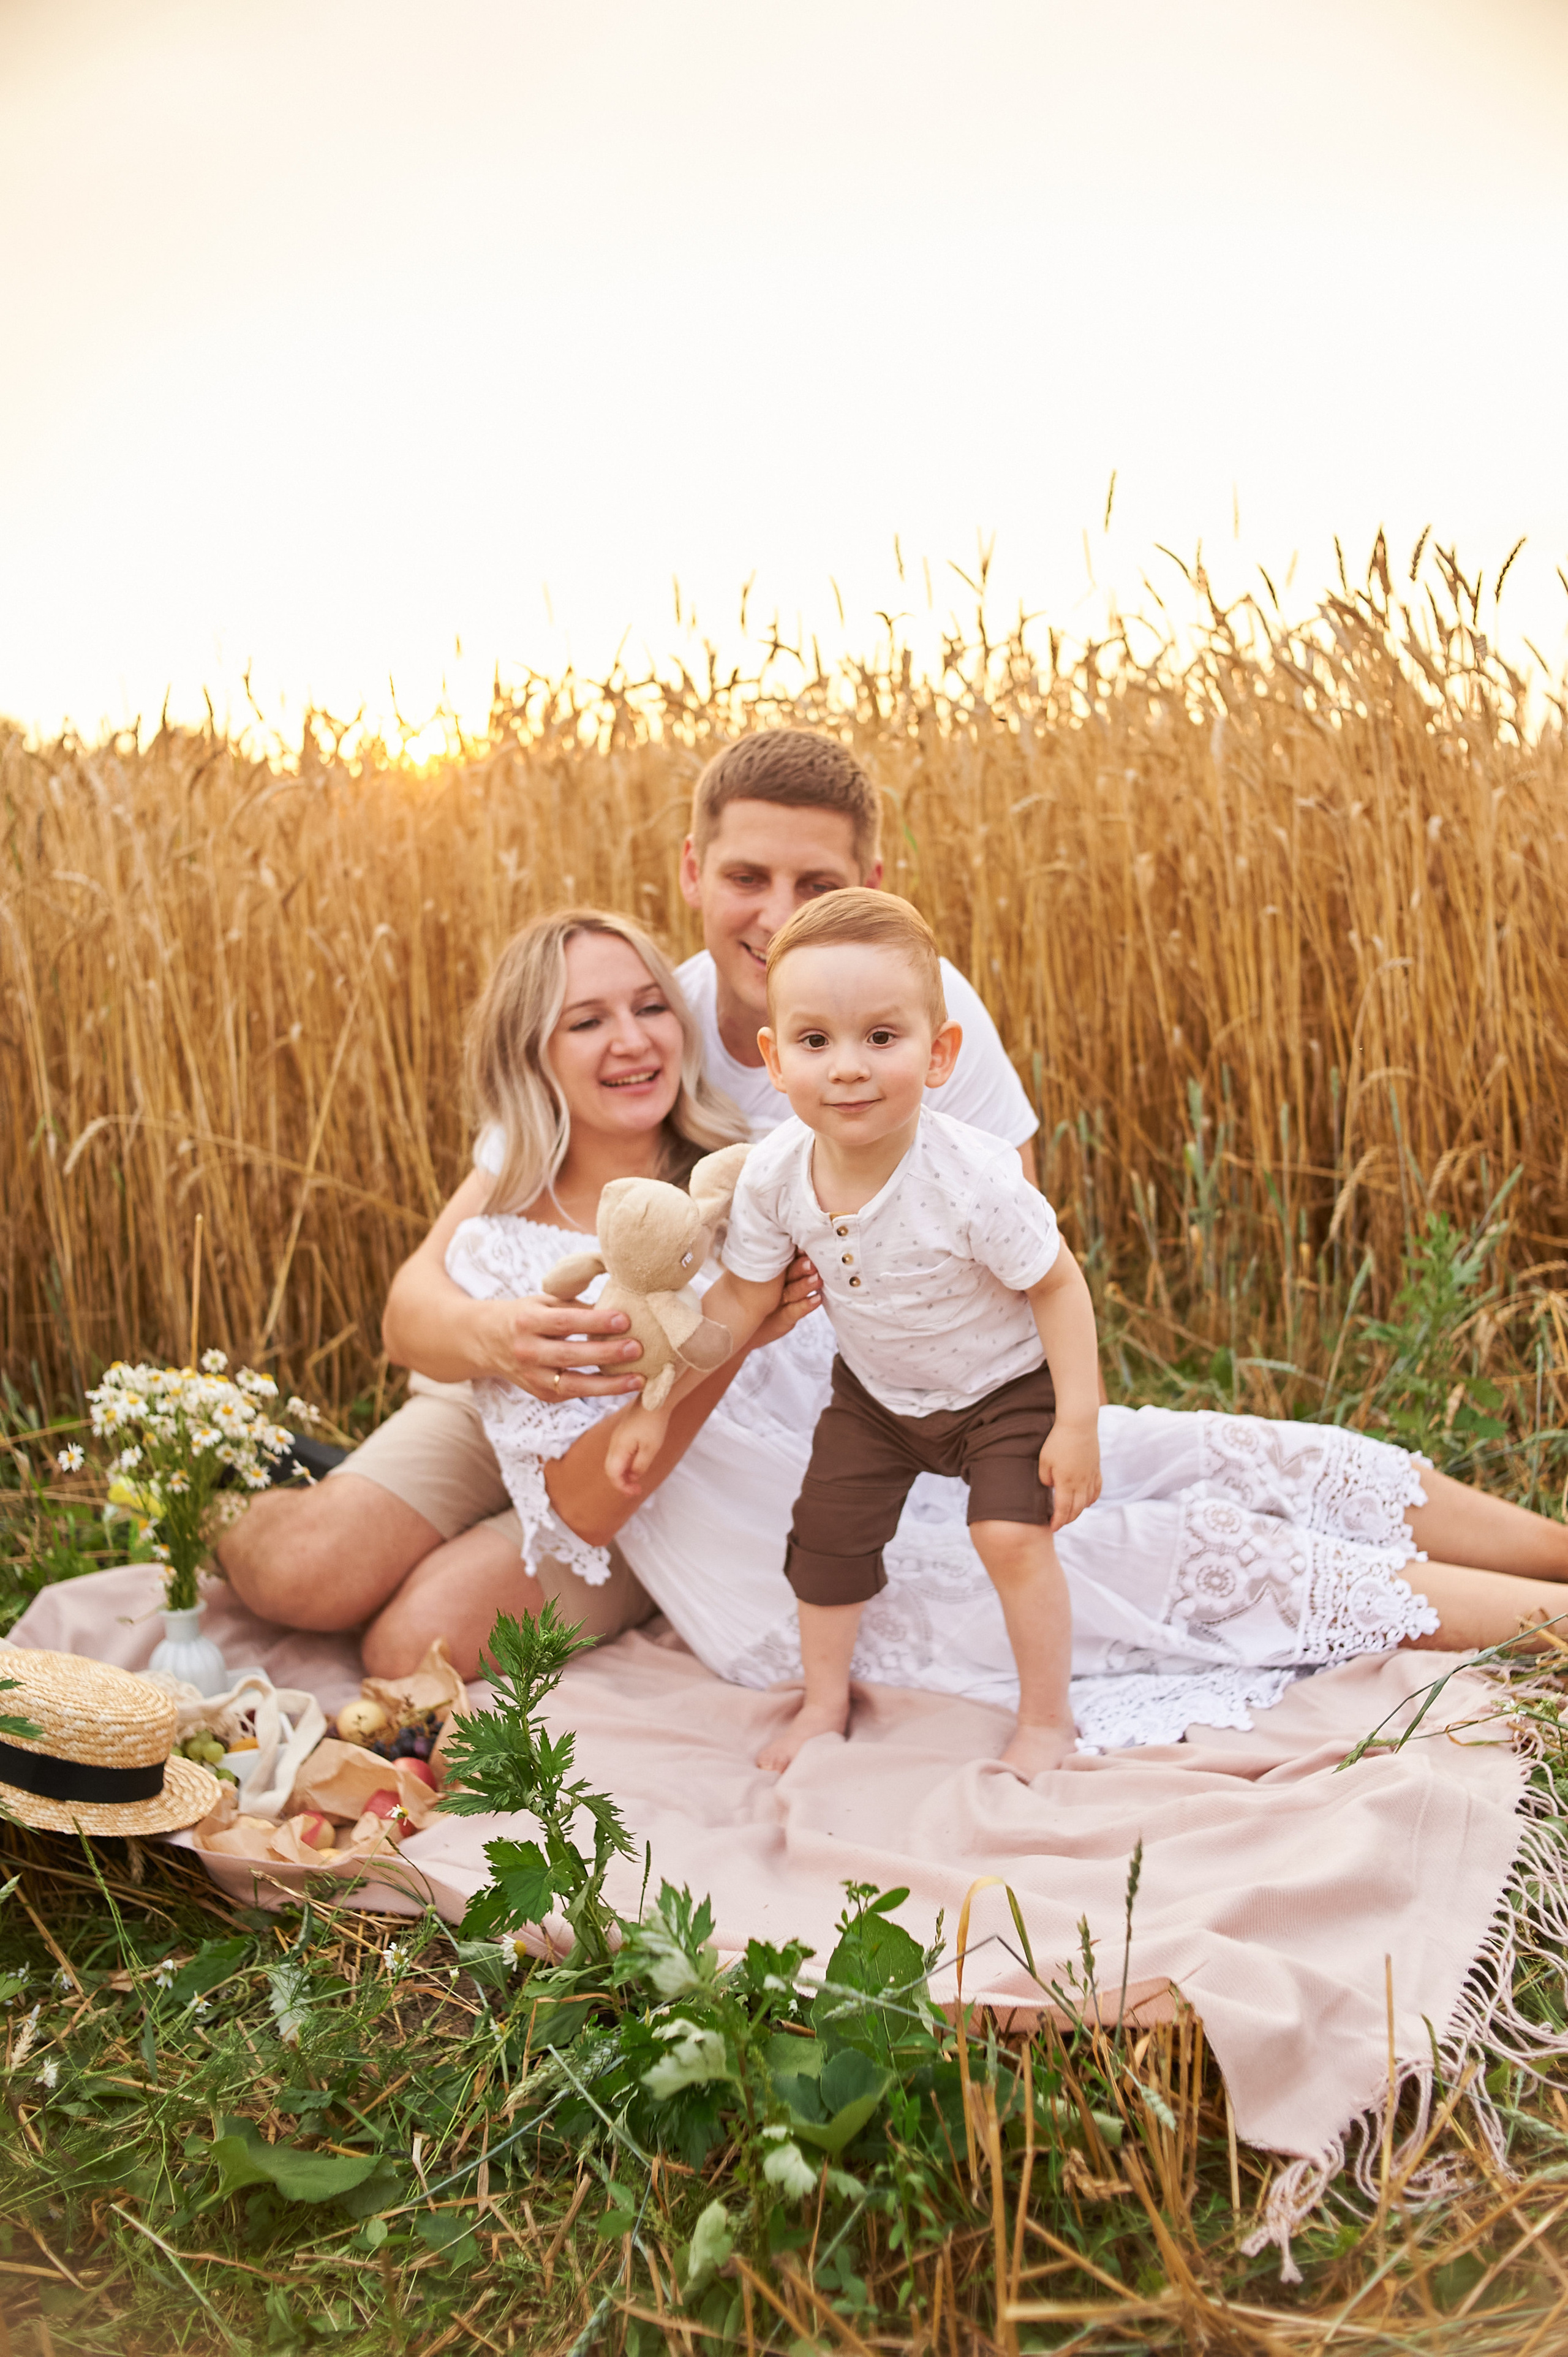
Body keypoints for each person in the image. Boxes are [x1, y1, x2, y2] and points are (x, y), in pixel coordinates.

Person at [223, 903, 1568, 1759]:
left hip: (921, 1432)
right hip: (791, 1555)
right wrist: (728, 1349)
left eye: (647, 1004)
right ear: (530, 1054)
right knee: (1188, 1557)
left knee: (1243, 1455)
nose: (632, 1036)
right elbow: (587, 1500)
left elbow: (947, 1196)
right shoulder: (518, 1262)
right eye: (588, 1020)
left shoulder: (752, 1153)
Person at [219, 727, 1039, 1650]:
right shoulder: (644, 1012)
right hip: (523, 1374)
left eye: (817, 886)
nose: (777, 917)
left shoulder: (913, 1015)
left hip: (722, 1416)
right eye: (747, 878)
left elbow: (1011, 1260)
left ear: (874, 884)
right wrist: (503, 1339)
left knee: (421, 1632)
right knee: (309, 1571)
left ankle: (627, 1575)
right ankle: (238, 1483)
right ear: (694, 870)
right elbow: (419, 1301)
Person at [604, 891, 1102, 1776]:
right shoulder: (775, 1178)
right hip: (876, 1397)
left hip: (1003, 1390)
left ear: (940, 1053)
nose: (848, 1069)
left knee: (1009, 1536)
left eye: (882, 1038)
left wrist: (1077, 1421)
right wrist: (653, 1406)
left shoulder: (970, 1181)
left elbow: (1059, 1284)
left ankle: (1045, 1718)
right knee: (825, 1537)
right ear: (776, 1058)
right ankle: (824, 1705)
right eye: (814, 1041)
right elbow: (736, 1304)